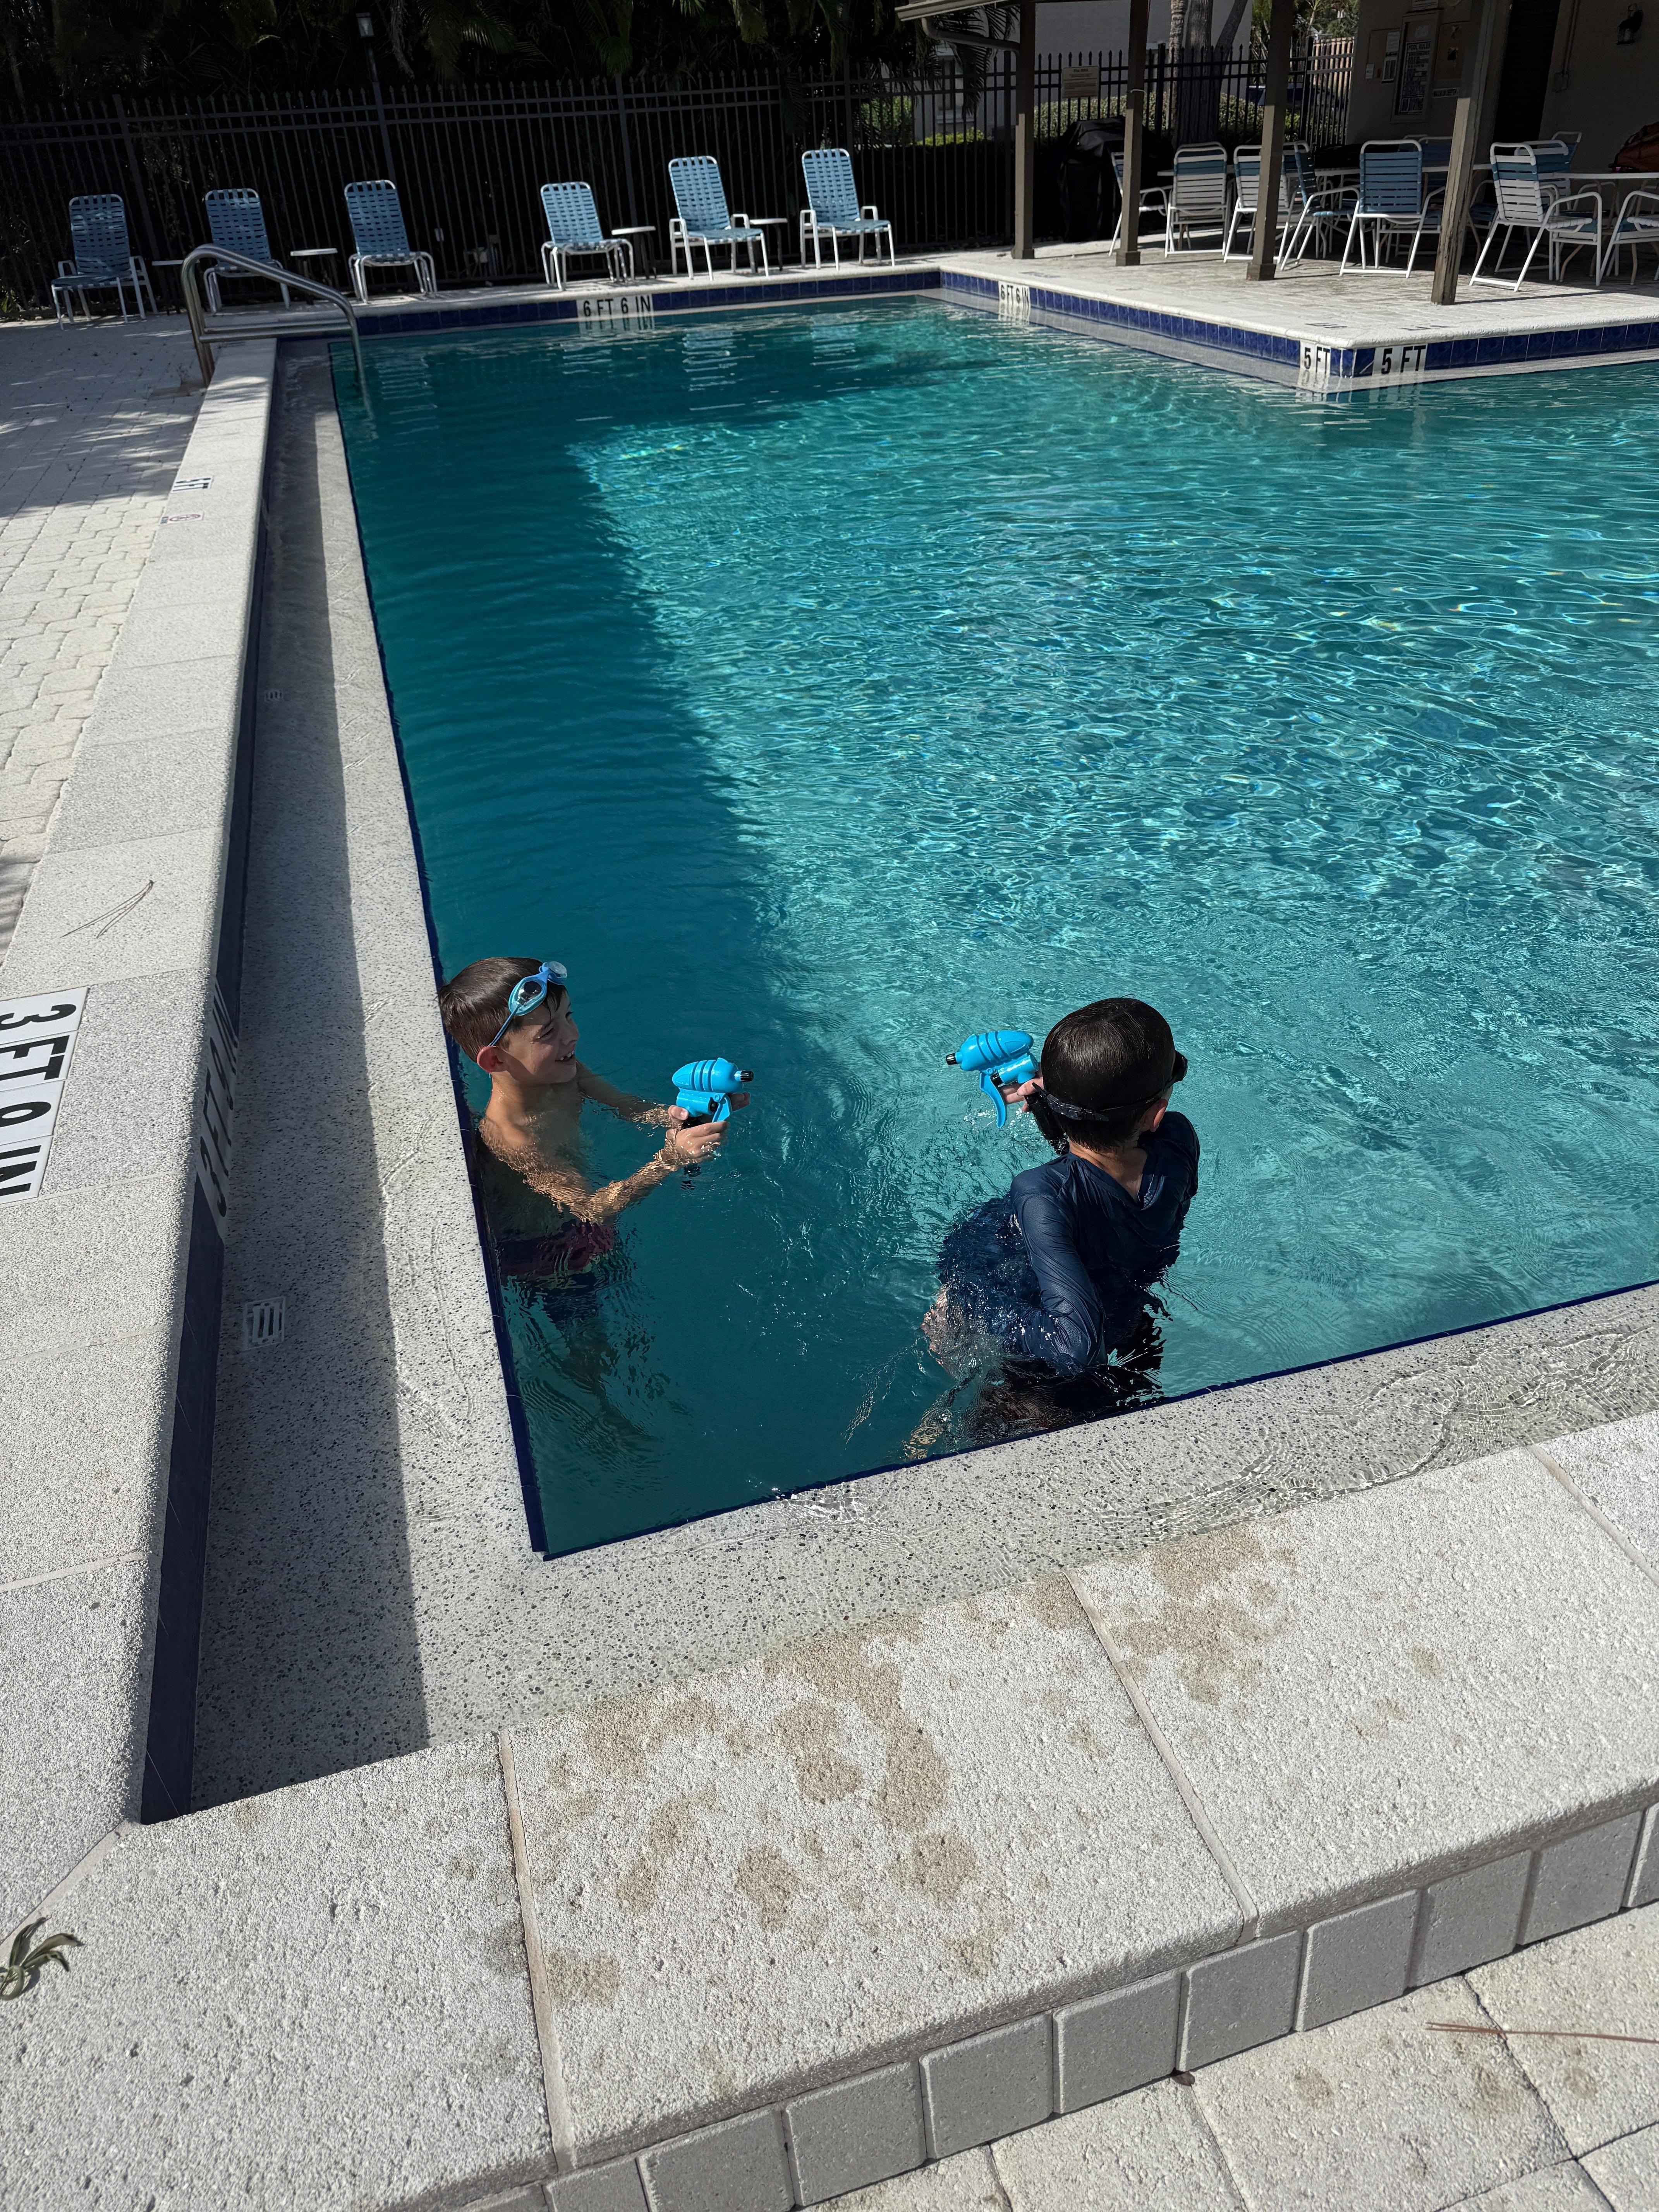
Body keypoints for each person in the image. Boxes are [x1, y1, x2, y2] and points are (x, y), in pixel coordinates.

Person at [925, 998, 1197, 1435]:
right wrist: (1056, 1109)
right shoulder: (1179, 1141)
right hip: (1129, 1317)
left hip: (1041, 1368)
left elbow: (1075, 1348)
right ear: (1157, 1113)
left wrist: (970, 1307)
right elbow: (1095, 1170)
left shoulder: (1040, 1192)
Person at [437, 956, 741, 1282]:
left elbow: (627, 1106)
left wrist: (690, 1115)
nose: (572, 1035)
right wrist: (669, 1160)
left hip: (586, 1221)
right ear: (497, 1059)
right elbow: (591, 1210)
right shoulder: (513, 1139)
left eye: (569, 1016)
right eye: (549, 1032)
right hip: (547, 1249)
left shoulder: (568, 1073)